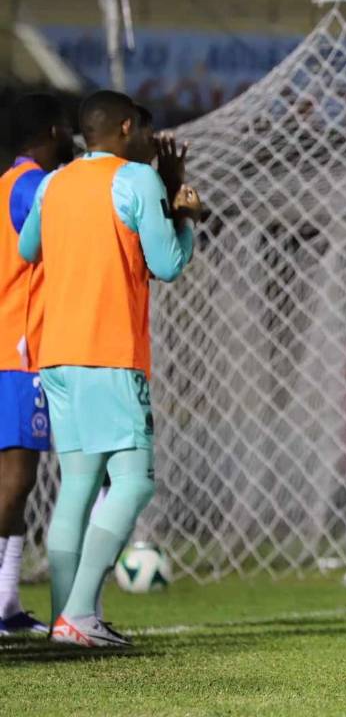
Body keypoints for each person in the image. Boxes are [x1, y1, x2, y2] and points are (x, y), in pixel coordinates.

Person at [18, 90, 202, 648]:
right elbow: (167, 263)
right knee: (134, 483)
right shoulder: (136, 179)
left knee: (77, 487)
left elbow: (29, 250)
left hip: (59, 354)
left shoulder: (54, 182)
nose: (150, 142)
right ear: (126, 128)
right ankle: (79, 614)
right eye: (143, 133)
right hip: (109, 352)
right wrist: (186, 217)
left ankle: (66, 622)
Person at [0, 94, 74, 635]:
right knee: (16, 477)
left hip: (12, 348)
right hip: (18, 352)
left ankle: (5, 605)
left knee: (18, 483)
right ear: (50, 132)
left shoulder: (6, 184)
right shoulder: (29, 187)